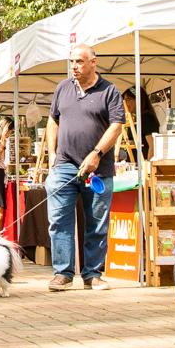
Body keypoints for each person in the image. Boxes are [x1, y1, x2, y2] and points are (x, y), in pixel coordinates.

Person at [43, 45, 125, 292]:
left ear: (93, 62)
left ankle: (93, 274)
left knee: (97, 222)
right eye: (71, 62)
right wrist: (52, 155)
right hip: (65, 165)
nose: (74, 66)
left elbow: (116, 126)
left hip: (98, 169)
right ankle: (62, 273)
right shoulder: (63, 88)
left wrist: (97, 153)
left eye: (79, 61)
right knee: (58, 219)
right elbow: (52, 121)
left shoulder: (109, 91)